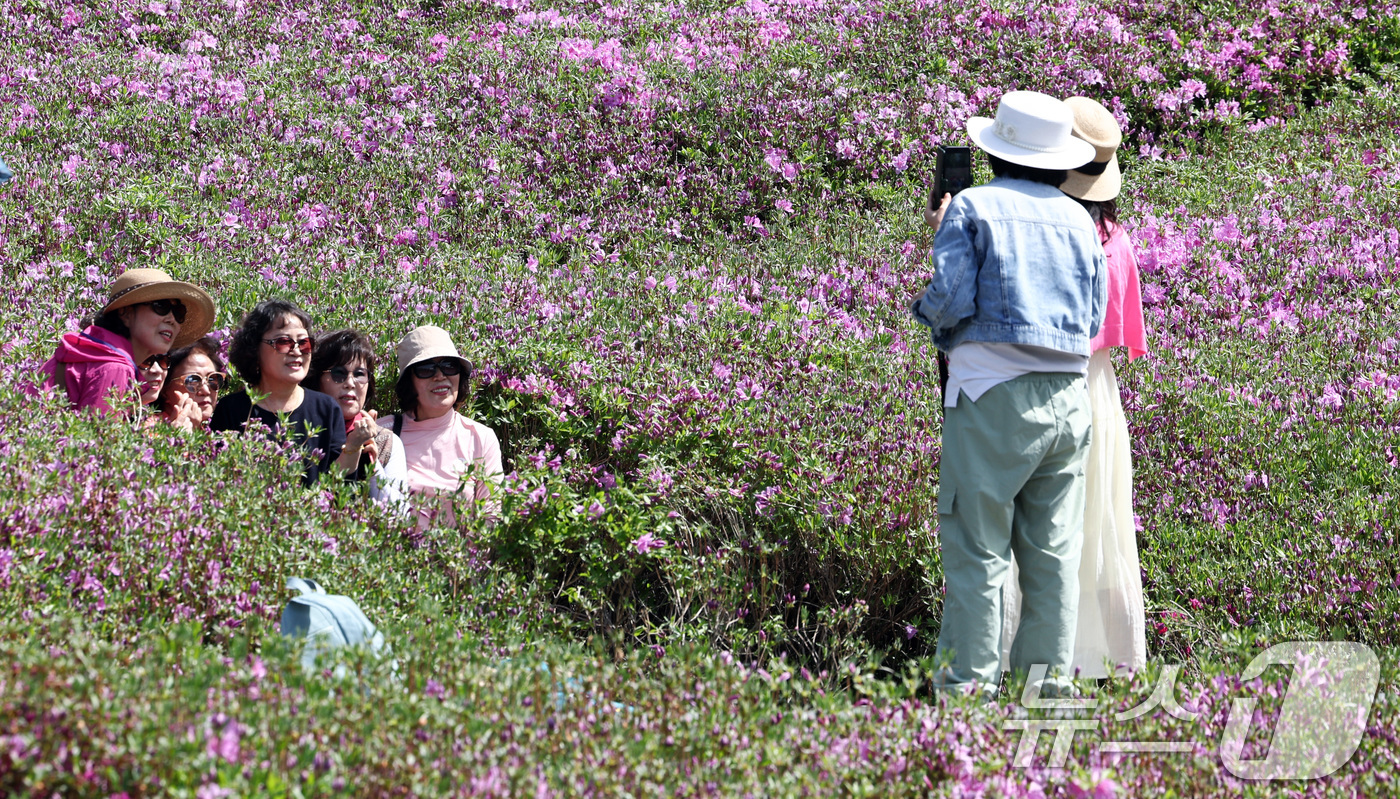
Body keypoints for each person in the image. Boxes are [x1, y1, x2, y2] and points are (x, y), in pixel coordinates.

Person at [910, 91, 1106, 698]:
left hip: (992, 398)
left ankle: (967, 702)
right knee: (1052, 559)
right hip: (1070, 402)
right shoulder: (1081, 218)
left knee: (978, 552)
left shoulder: (972, 207)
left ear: (998, 150)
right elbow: (1094, 316)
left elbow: (948, 299)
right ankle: (1044, 700)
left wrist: (933, 314)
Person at [1001, 97, 1148, 679]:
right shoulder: (1119, 241)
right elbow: (1118, 338)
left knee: (1034, 532)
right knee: (1100, 525)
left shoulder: (1046, 238)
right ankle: (1111, 660)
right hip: (1100, 395)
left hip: (1045, 389)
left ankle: (1029, 661)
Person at [40, 268, 215, 414]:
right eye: (161, 307)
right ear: (126, 313)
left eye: (178, 313)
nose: (172, 320)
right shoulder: (115, 367)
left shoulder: (94, 351)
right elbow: (99, 448)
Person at [210, 300, 344, 486]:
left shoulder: (326, 409)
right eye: (283, 342)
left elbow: (340, 486)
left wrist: (353, 450)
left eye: (304, 343)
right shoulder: (231, 409)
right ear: (254, 350)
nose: (297, 351)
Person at [378, 325, 503, 521]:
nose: (440, 376)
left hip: (463, 551)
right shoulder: (385, 433)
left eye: (449, 366)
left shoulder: (481, 437)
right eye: (426, 369)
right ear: (409, 381)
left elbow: (492, 515)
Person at [304, 329, 408, 504]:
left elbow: (399, 516)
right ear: (316, 380)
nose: (350, 383)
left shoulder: (385, 441)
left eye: (360, 374)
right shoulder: (303, 434)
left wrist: (373, 467)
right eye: (338, 373)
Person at [159, 336, 226, 429]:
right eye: (193, 381)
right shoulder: (148, 433)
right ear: (164, 390)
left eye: (212, 379)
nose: (206, 391)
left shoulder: (215, 434)